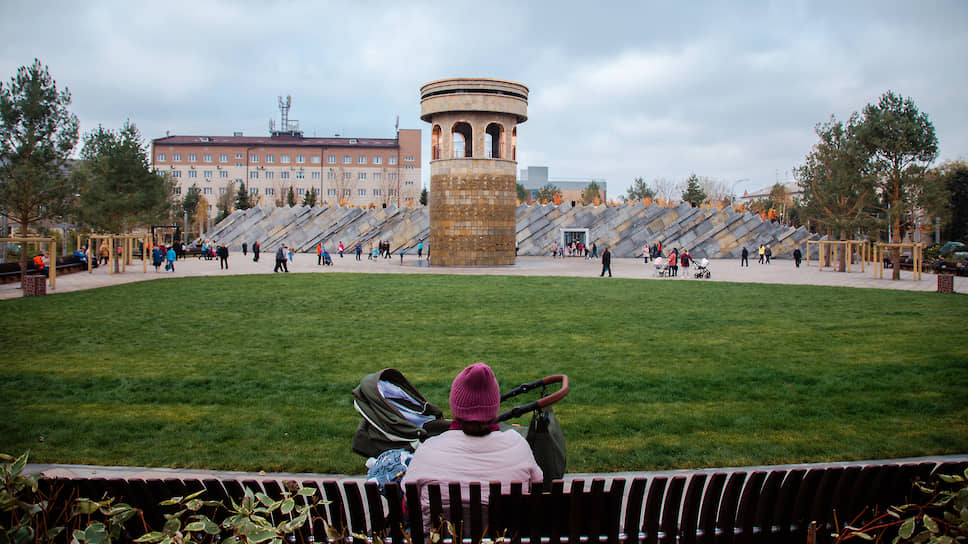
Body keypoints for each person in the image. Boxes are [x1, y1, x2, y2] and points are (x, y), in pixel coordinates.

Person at [402, 363, 542, 528]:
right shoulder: (518, 446)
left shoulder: (428, 450)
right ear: (494, 405)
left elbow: (408, 506)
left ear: (455, 404)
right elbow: (537, 488)